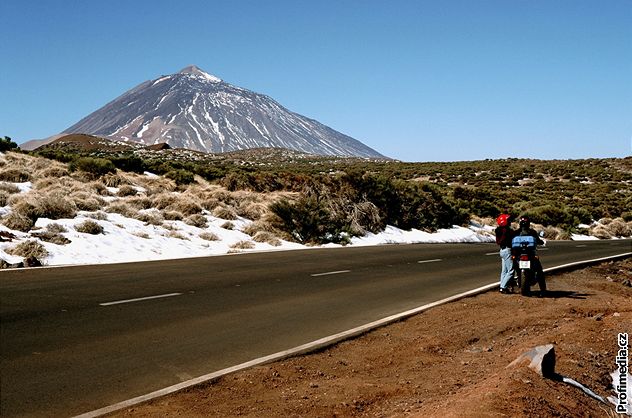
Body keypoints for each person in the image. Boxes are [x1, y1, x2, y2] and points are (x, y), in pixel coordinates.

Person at [495, 213, 516, 294]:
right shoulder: (507, 231)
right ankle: (503, 287)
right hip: (508, 250)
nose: (510, 222)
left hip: (502, 251)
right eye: (508, 220)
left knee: (504, 271)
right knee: (511, 270)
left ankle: (503, 286)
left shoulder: (498, 230)